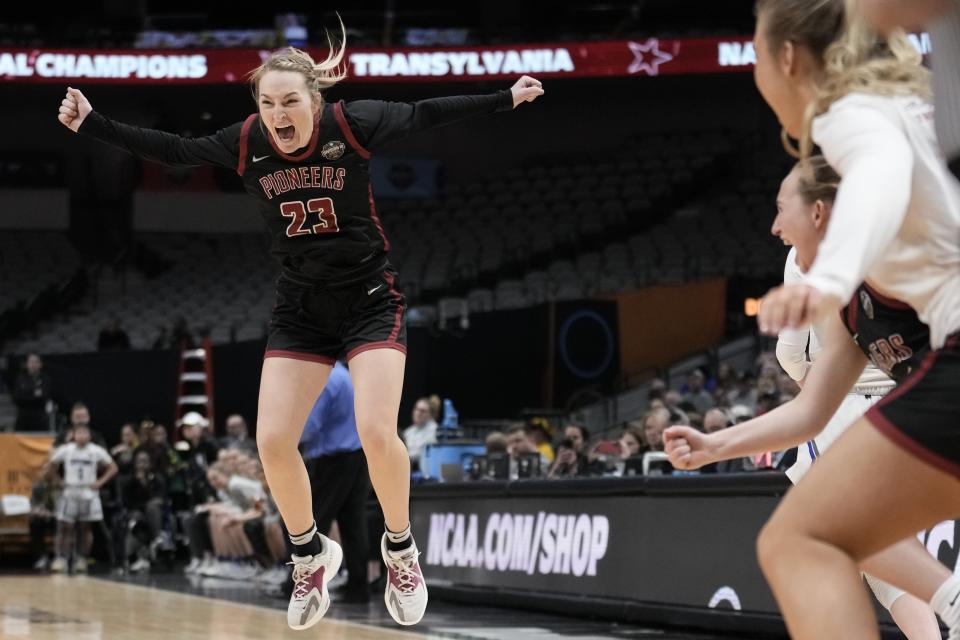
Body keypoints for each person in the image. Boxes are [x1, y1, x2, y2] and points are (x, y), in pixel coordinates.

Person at [58, 21, 544, 628]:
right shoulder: (245, 142)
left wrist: (506, 97)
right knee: (271, 442)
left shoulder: (352, 124)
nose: (278, 114)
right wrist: (92, 122)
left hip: (368, 298)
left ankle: (400, 549)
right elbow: (175, 150)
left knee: (375, 428)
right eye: (268, 103)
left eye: (290, 101)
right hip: (301, 310)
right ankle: (311, 555)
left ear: (315, 100)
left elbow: (426, 113)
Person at [668, 1, 960, 637]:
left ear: (789, 57)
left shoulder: (850, 116)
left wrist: (827, 280)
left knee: (802, 539)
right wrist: (716, 445)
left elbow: (880, 175)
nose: (775, 225)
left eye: (753, 49)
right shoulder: (909, 118)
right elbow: (810, 412)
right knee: (823, 524)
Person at [300, 361, 371, 603]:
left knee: (312, 521)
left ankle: (304, 585)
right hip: (359, 456)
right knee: (353, 524)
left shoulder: (326, 379)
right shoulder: (349, 376)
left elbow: (311, 426)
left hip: (333, 460)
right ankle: (358, 587)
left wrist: (287, 442)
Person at [46, 423, 118, 573]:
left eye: (85, 433)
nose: (82, 436)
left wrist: (100, 482)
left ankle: (82, 559)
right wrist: (58, 481)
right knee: (67, 527)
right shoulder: (66, 449)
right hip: (70, 491)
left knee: (86, 527)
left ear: (89, 435)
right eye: (79, 433)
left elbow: (113, 467)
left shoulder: (96, 450)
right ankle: (62, 559)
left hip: (88, 492)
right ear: (74, 434)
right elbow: (51, 465)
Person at [13, 353, 52, 432]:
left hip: (40, 418)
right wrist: (35, 394)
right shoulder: (20, 379)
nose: (33, 365)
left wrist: (27, 393)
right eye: (31, 362)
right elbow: (17, 398)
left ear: (40, 364)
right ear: (27, 364)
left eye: (36, 362)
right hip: (23, 418)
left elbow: (44, 397)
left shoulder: (45, 379)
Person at [401, 398, 437, 471]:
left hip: (425, 471)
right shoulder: (408, 432)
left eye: (422, 411)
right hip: (407, 469)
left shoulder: (435, 431)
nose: (418, 413)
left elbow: (421, 452)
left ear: (430, 415)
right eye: (416, 409)